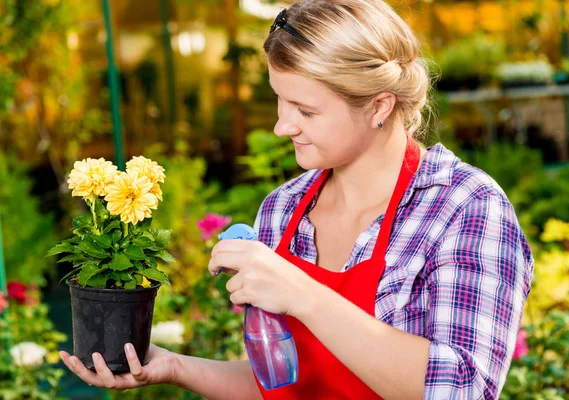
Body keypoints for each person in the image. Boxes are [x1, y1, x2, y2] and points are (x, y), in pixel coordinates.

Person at [60, 0, 534, 398]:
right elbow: (282, 381)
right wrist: (174, 366)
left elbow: (464, 387)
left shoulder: (464, 208)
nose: (282, 126)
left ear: (379, 106)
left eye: (306, 109)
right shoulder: (284, 210)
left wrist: (303, 293)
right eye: (280, 101)